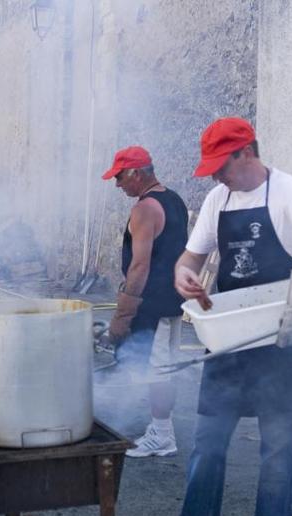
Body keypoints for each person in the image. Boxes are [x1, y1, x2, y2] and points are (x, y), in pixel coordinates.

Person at [148, 117, 292, 516]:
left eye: (221, 165)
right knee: (208, 444)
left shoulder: (290, 191)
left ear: (246, 154)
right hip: (231, 340)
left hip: (283, 341)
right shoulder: (220, 198)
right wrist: (182, 274)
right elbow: (191, 256)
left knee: (278, 450)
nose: (215, 175)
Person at [101, 146, 189, 457]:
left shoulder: (144, 210)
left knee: (158, 370)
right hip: (172, 298)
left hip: (152, 303)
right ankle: (161, 428)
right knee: (165, 367)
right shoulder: (174, 200)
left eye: (120, 177)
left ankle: (163, 435)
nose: (118, 184)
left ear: (137, 173)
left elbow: (140, 265)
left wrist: (123, 314)